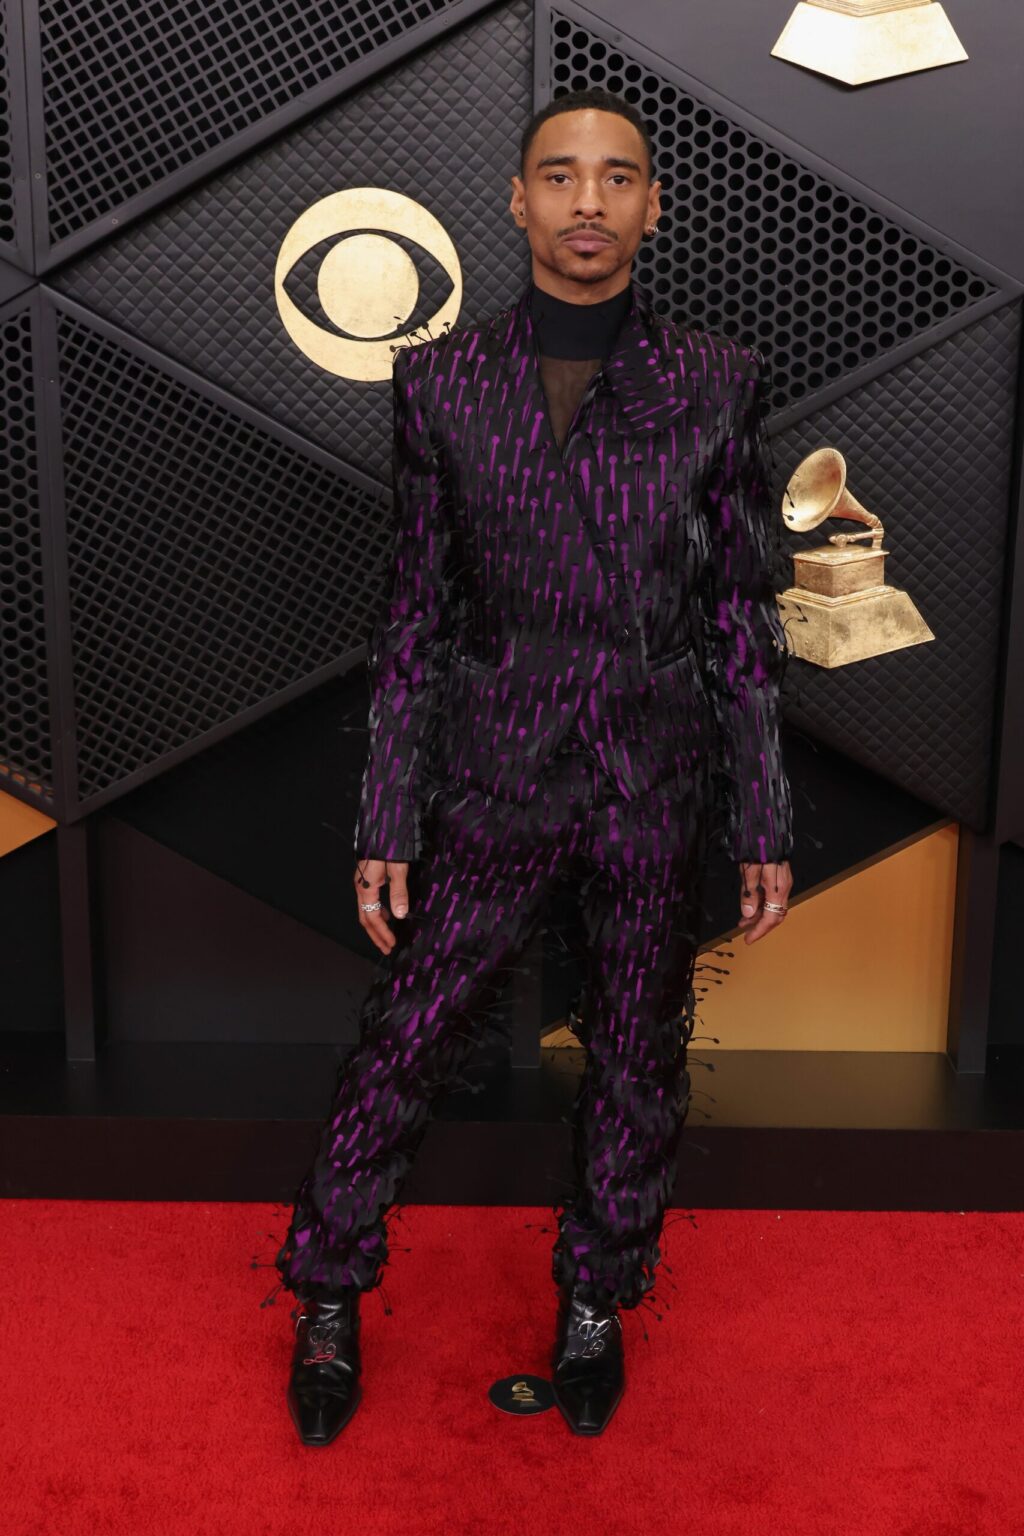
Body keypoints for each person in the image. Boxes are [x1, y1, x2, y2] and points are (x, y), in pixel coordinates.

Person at [272, 84, 795, 1445]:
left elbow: (741, 611)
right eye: (559, 175)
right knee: (409, 1037)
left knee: (638, 1051)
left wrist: (762, 814)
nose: (586, 199)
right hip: (495, 775)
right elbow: (415, 618)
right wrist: (388, 810)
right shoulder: (442, 380)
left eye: (616, 176)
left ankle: (596, 1299)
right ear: (517, 200)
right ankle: (327, 1291)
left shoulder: (717, 380)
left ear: (650, 206)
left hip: (652, 773)